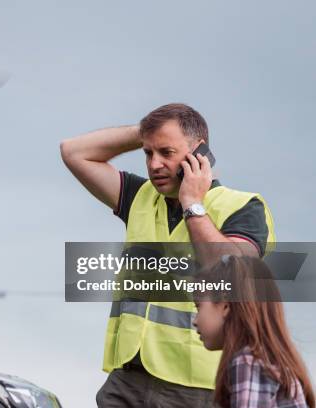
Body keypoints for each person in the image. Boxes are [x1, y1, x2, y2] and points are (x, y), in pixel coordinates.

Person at [60, 103, 276, 407]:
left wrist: (192, 204)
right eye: (148, 153)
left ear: (198, 154)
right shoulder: (141, 197)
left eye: (166, 152)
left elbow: (230, 271)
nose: (154, 164)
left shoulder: (244, 207)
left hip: (196, 385)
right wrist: (144, 132)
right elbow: (73, 151)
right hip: (128, 377)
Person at [192, 255, 314, 408]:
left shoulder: (248, 361)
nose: (195, 321)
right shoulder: (263, 359)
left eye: (198, 307)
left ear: (225, 306)